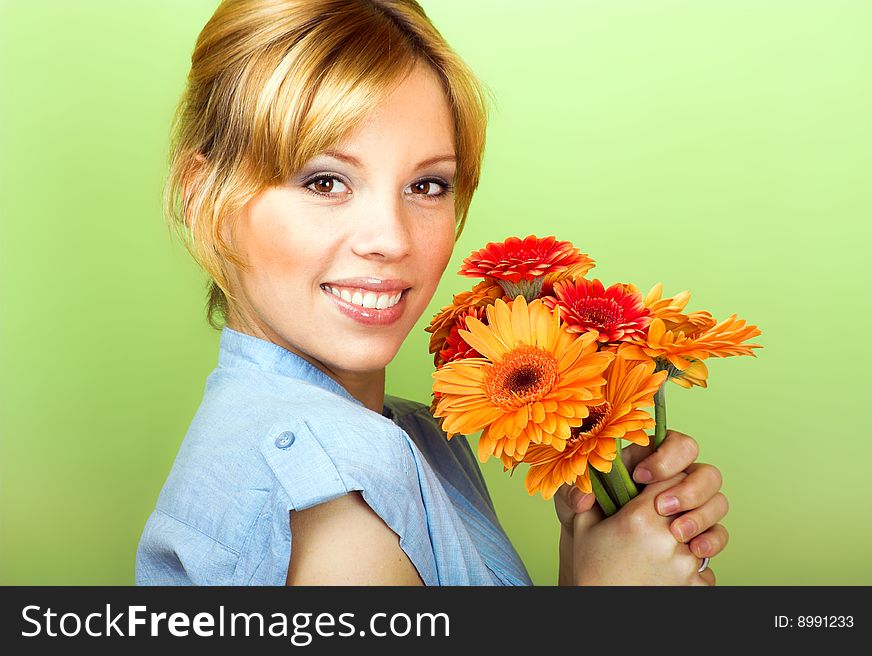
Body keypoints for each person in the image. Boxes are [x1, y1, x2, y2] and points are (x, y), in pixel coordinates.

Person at [136, 0, 728, 586]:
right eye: (325, 181)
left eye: (426, 185)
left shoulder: (410, 438)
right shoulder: (334, 499)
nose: (391, 239)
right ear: (201, 197)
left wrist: (594, 548)